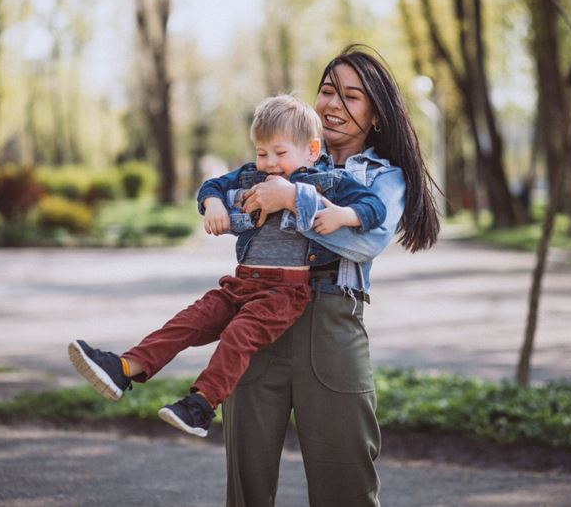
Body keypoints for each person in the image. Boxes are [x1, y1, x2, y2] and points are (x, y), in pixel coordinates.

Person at [68, 94, 387, 438]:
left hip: (284, 292)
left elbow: (374, 207)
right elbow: (212, 186)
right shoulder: (251, 175)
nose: (269, 164)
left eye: (280, 154)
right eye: (261, 153)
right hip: (241, 283)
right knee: (190, 320)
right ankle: (125, 368)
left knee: (239, 334)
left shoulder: (329, 182)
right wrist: (213, 205)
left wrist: (341, 215)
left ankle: (202, 404)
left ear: (311, 150)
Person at [221, 45, 440, 506]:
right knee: (246, 483)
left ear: (376, 115)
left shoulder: (385, 178)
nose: (334, 104)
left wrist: (289, 201)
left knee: (347, 484)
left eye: (352, 96)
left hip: (332, 322)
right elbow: (235, 211)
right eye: (327, 91)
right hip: (257, 317)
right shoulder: (281, 157)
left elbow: (365, 242)